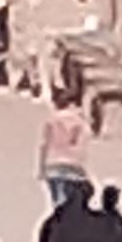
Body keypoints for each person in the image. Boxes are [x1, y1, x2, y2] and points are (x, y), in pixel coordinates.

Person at [39, 63, 92, 216]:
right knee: (72, 205)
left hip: (52, 164)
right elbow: (82, 144)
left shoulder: (52, 120)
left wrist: (41, 168)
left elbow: (45, 144)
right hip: (73, 166)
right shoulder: (80, 121)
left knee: (57, 205)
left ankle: (57, 226)